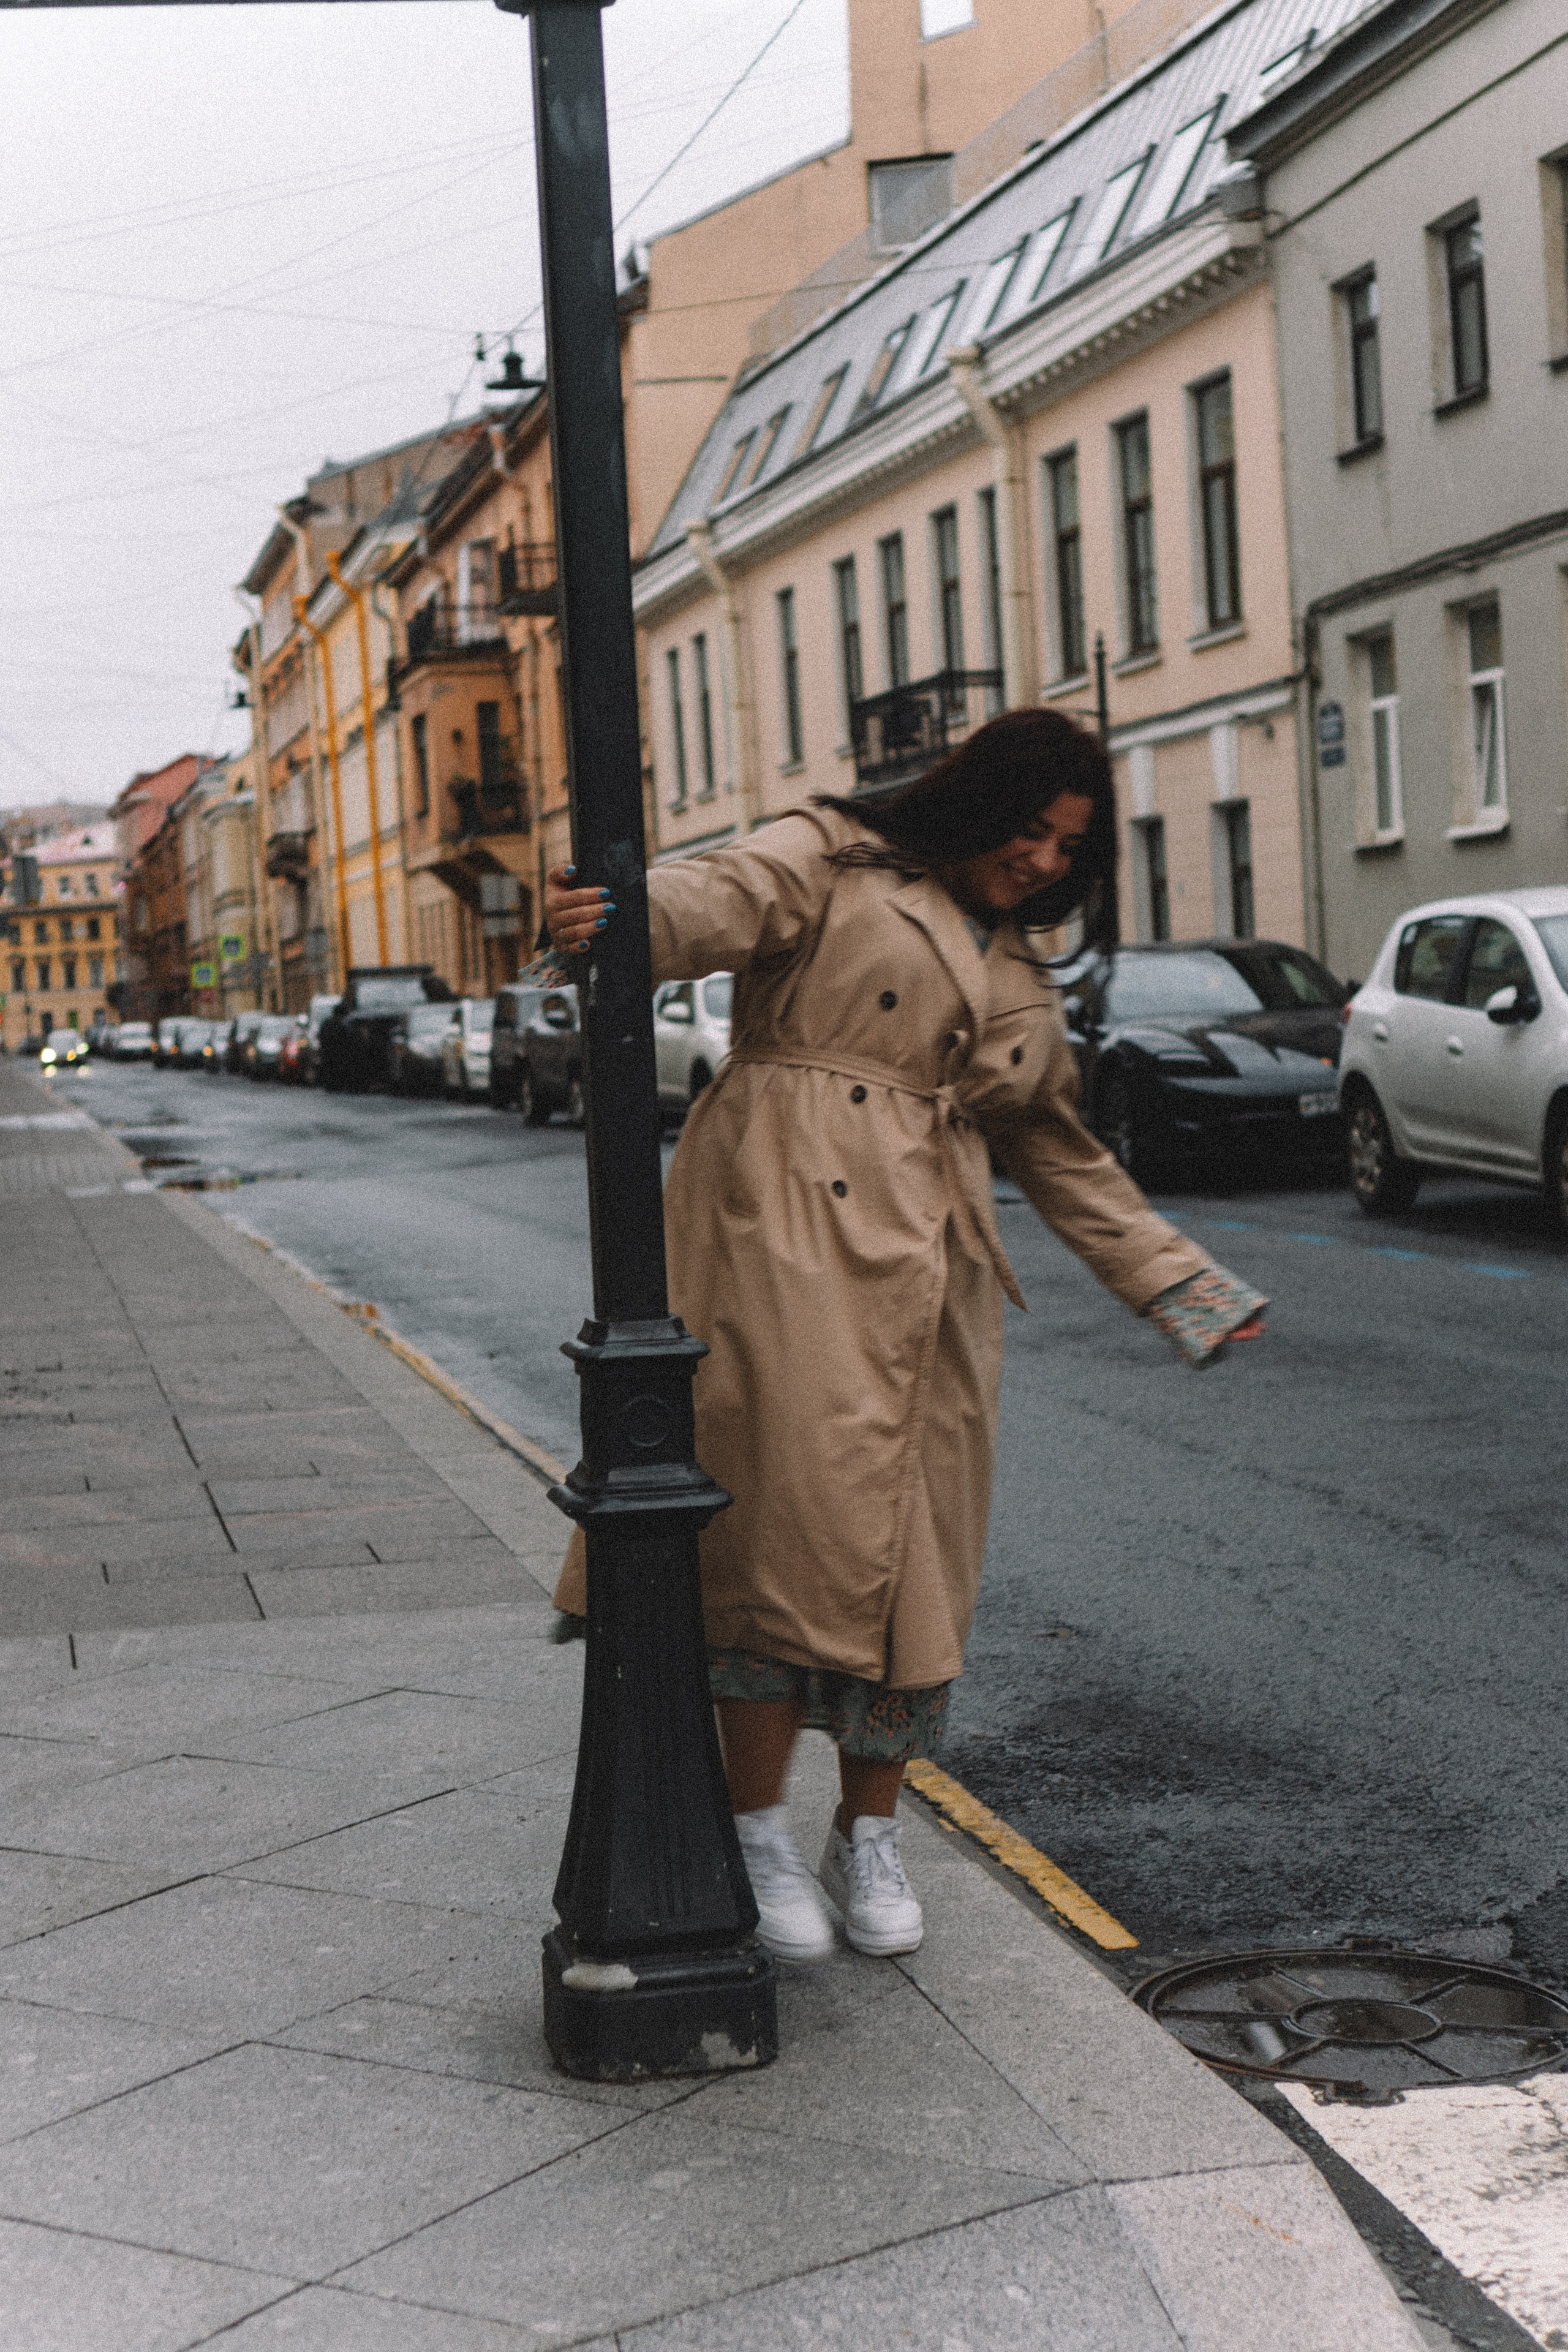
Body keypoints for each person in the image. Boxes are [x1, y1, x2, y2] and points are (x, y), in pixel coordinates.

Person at [543, 708, 1265, 1965]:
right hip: (786, 1233)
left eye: (1069, 846)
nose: (1043, 860)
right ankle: (756, 1830)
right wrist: (613, 915)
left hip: (935, 1277)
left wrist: (1178, 1286)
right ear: (975, 801)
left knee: (919, 1556)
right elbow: (717, 898)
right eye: (1029, 829)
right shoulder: (836, 856)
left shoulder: (1020, 969)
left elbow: (1055, 1147)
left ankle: (867, 1833)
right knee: (786, 1534)